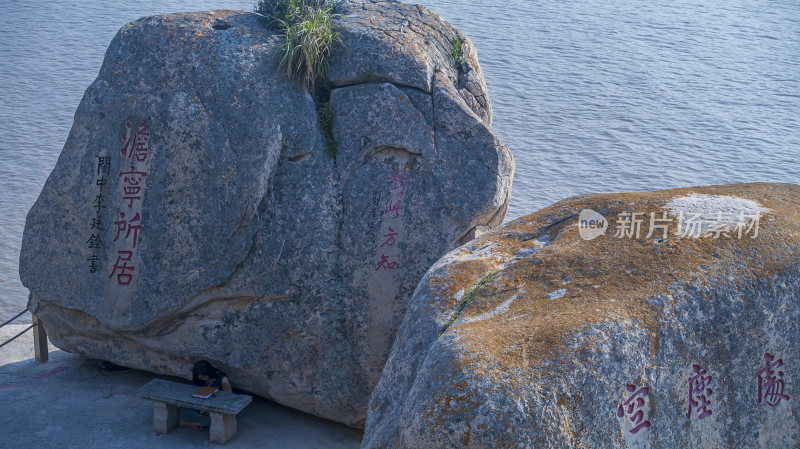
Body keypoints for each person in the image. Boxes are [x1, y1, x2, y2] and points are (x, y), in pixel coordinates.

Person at [179, 360, 233, 430]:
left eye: (204, 377)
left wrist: (210, 411)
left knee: (215, 418)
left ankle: (189, 424)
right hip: (202, 406)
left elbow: (230, 399)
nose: (203, 379)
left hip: (217, 407)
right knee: (182, 409)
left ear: (209, 372)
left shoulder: (223, 380)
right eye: (201, 378)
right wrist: (200, 408)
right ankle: (200, 424)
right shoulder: (199, 380)